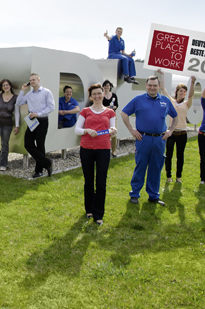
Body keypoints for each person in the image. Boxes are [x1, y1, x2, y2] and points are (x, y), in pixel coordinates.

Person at [121, 75, 178, 206]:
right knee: (140, 166)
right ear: (146, 86)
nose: (152, 88)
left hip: (159, 139)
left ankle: (153, 196)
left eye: (155, 85)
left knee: (156, 167)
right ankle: (135, 194)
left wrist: (170, 131)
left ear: (159, 86)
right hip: (143, 138)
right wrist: (132, 130)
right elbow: (124, 113)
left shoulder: (165, 100)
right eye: (150, 85)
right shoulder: (138, 100)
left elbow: (175, 117)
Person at [75, 83, 117, 226]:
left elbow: (112, 129)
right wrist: (86, 131)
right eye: (94, 94)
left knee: (101, 182)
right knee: (88, 181)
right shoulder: (85, 111)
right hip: (86, 149)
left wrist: (112, 131)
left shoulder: (110, 112)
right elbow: (77, 129)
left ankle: (99, 214)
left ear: (103, 94)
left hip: (103, 149)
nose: (97, 96)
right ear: (91, 96)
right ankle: (89, 209)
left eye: (99, 93)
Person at [157, 70, 196, 183]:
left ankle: (178, 177)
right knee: (168, 155)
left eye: (184, 91)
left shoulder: (187, 104)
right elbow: (163, 89)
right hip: (170, 133)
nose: (182, 93)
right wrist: (163, 75)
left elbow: (191, 95)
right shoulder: (171, 101)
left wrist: (192, 82)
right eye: (181, 91)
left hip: (182, 133)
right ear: (177, 91)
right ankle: (168, 176)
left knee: (180, 156)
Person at [16, 73, 55, 179]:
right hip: (32, 121)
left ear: (38, 80)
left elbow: (51, 107)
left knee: (40, 145)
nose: (32, 82)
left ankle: (39, 171)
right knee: (28, 144)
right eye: (30, 80)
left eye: (34, 80)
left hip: (42, 121)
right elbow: (19, 102)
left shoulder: (46, 92)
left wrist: (38, 114)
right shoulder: (28, 94)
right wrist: (23, 90)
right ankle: (47, 162)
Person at [102, 80, 119, 158]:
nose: (106, 87)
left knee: (114, 133)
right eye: (105, 85)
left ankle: (114, 151)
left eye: (108, 85)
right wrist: (108, 107)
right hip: (104, 117)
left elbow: (116, 106)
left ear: (110, 86)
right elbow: (100, 106)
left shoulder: (114, 95)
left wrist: (110, 107)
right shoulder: (101, 95)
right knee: (105, 134)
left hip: (113, 116)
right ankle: (106, 150)